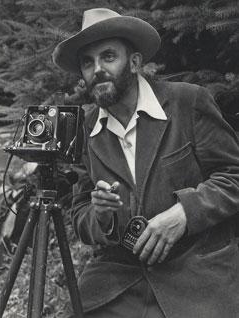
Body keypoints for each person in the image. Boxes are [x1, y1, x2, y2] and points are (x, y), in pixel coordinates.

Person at [52, 8, 239, 318]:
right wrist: (100, 216)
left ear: (135, 62)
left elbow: (234, 174)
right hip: (119, 280)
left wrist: (184, 213)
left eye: (108, 56)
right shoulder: (86, 129)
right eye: (88, 62)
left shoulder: (187, 102)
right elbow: (80, 213)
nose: (97, 69)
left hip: (196, 273)